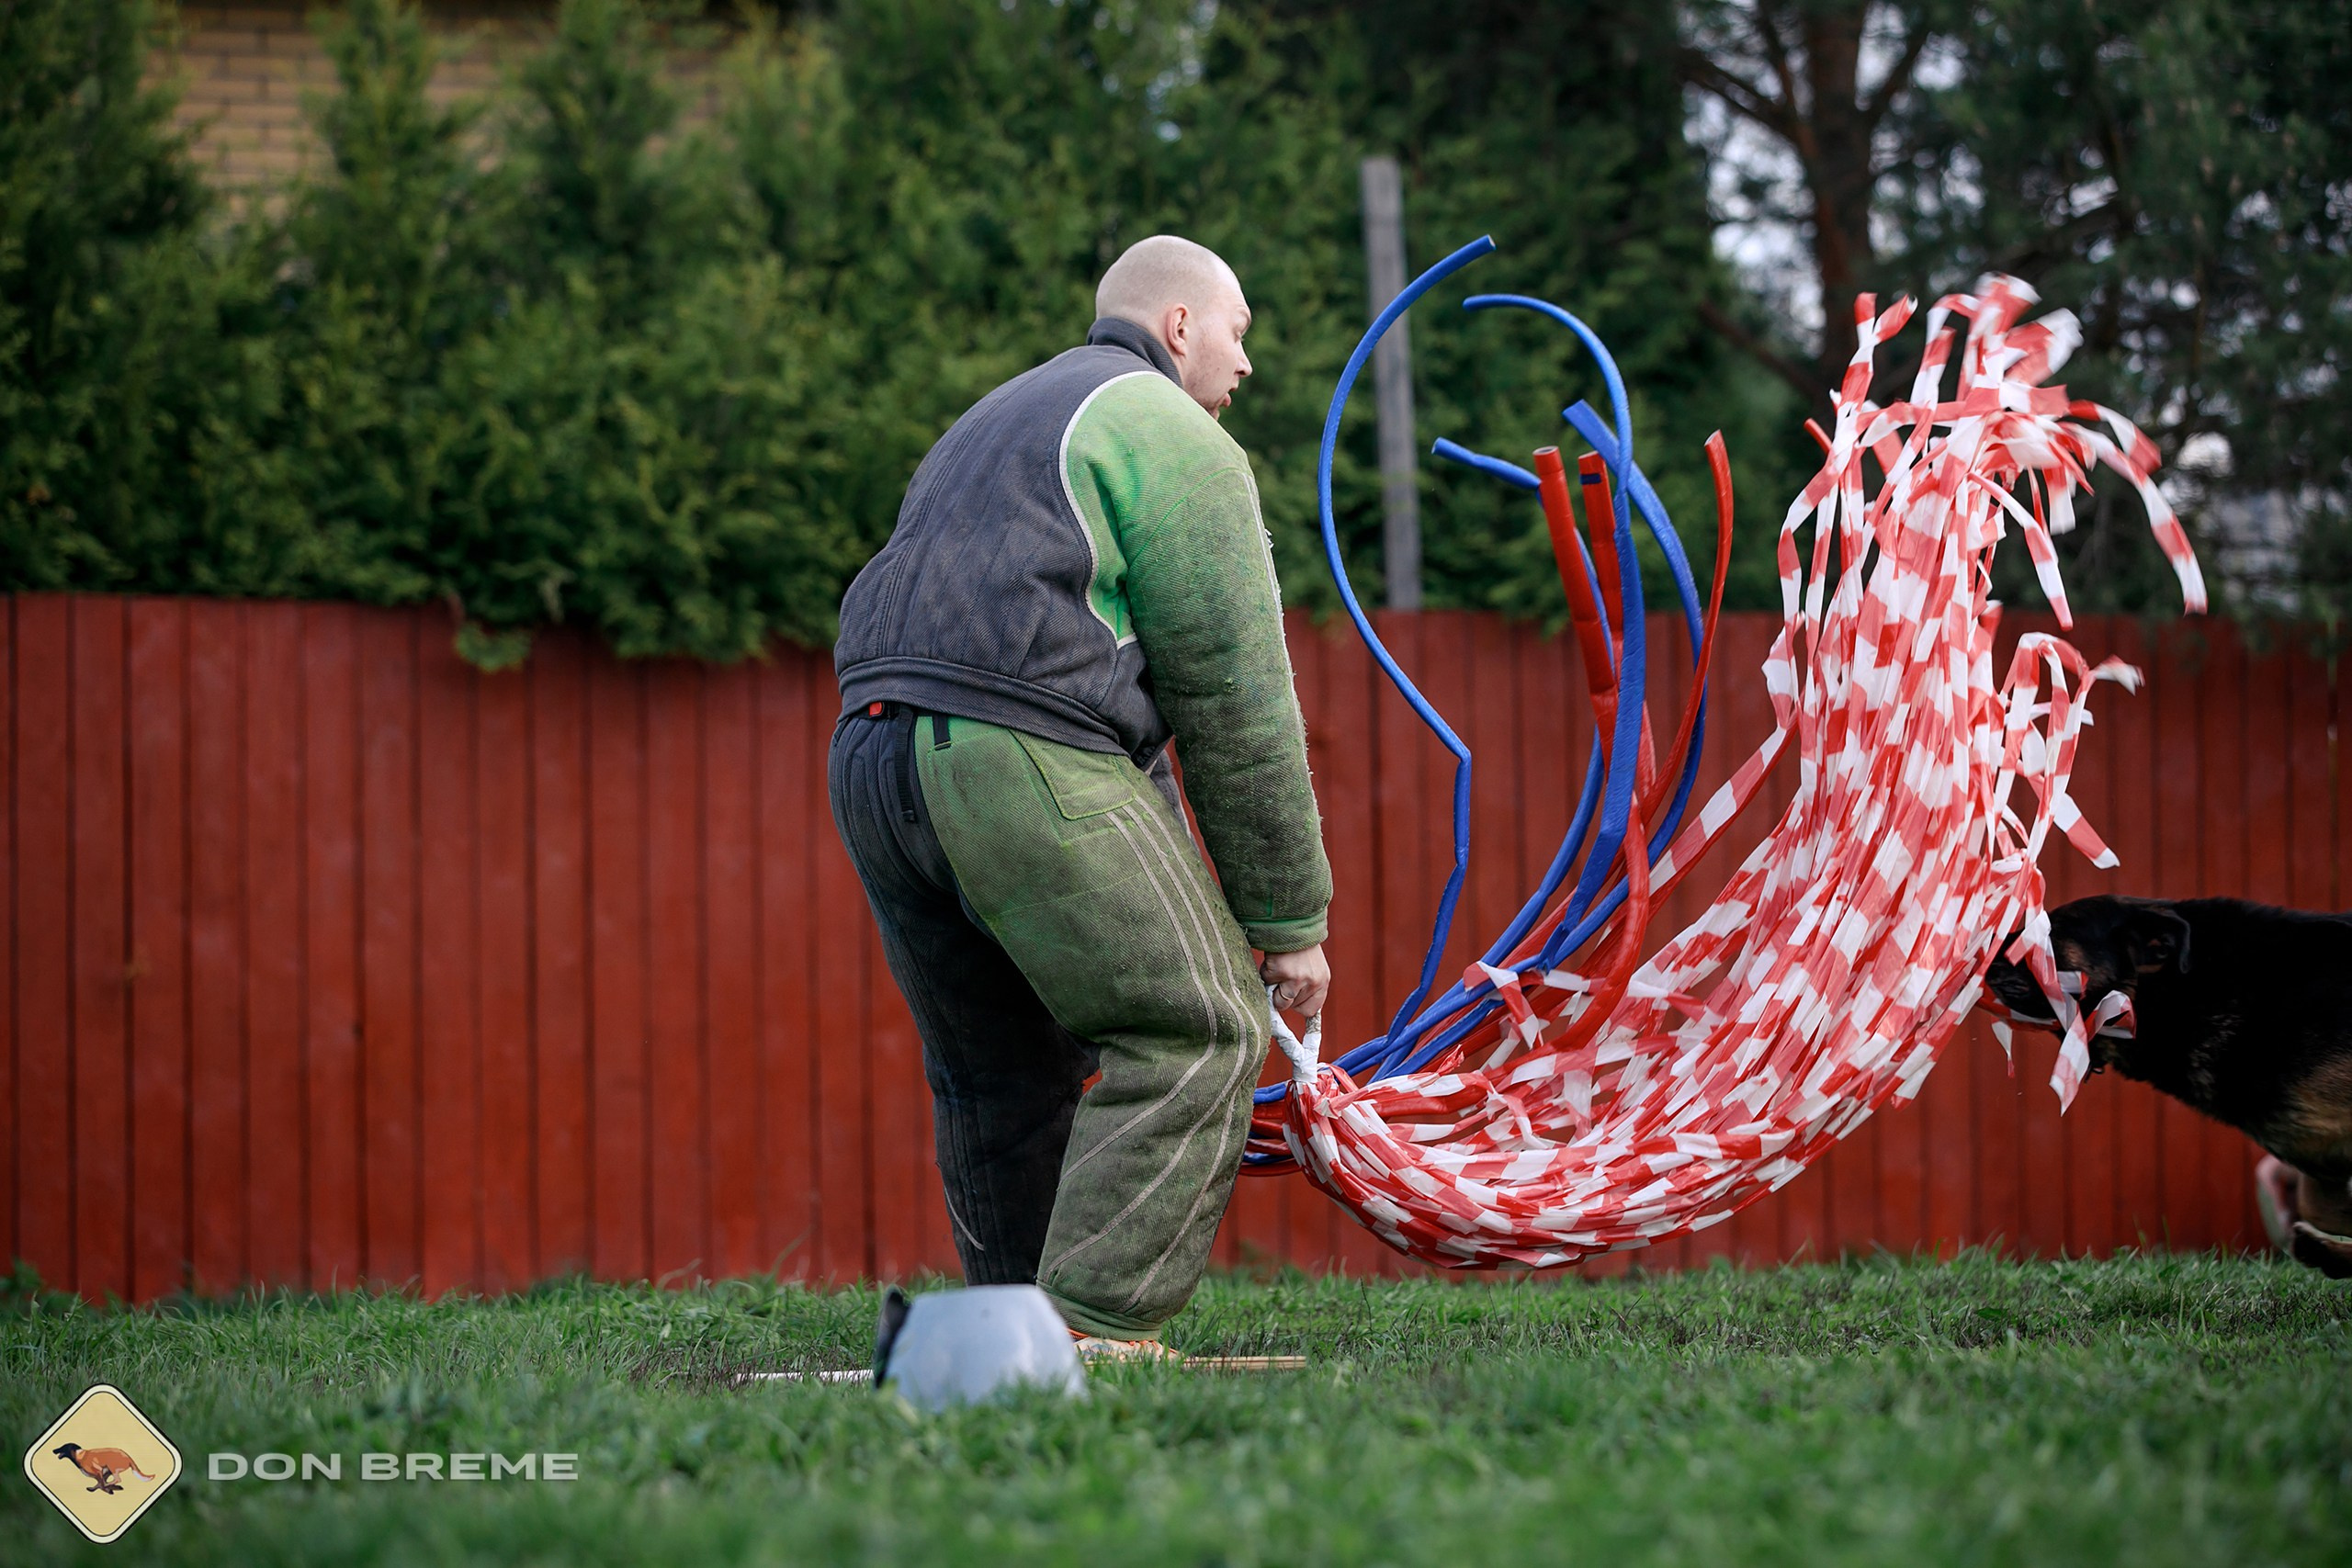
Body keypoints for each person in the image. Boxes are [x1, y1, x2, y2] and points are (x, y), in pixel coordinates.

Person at [828, 235, 1333, 1354]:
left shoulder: (996, 416)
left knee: (997, 1074)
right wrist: (1288, 924)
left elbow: (1066, 653)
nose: (1247, 366)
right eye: (1239, 333)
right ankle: (1094, 1334)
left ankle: (1004, 1347)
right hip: (1014, 749)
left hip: (872, 755)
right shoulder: (1171, 435)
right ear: (1180, 328)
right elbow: (1236, 700)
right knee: (1199, 1029)